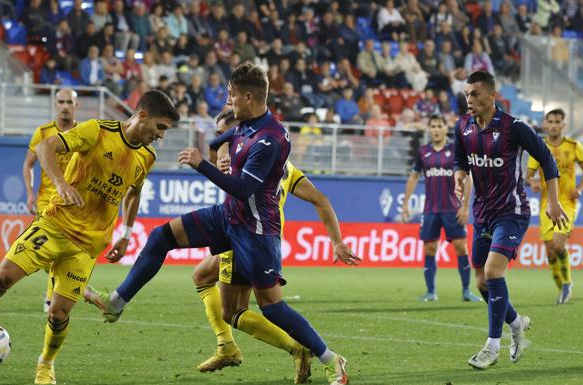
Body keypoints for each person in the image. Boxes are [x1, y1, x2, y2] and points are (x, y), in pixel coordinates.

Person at [81, 63, 351, 385]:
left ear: (248, 97)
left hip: (256, 232)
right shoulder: (245, 125)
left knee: (272, 308)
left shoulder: (270, 139)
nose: (228, 101)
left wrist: (202, 166)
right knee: (160, 237)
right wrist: (217, 156)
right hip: (228, 217)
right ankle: (116, 302)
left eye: (232, 95)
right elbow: (218, 142)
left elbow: (243, 188)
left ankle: (332, 360)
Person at [0, 90, 180, 385]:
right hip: (54, 225)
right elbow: (45, 147)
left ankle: (45, 365)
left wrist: (126, 233)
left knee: (58, 313)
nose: (161, 136)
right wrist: (61, 184)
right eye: (160, 127)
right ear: (142, 116)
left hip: (86, 247)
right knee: (2, 279)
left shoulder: (146, 157)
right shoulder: (97, 131)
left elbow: (134, 192)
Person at [183, 110, 360, 379]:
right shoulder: (283, 166)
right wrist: (337, 241)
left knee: (241, 309)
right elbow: (321, 199)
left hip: (244, 236)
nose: (221, 141)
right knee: (205, 277)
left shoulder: (241, 162)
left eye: (223, 135)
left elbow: (237, 185)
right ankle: (229, 345)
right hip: (265, 239)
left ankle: (299, 348)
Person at [453, 71, 566, 370]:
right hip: (482, 214)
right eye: (467, 93)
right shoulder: (462, 126)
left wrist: (553, 202)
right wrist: (459, 176)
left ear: (492, 96)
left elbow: (546, 159)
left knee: (492, 271)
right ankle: (516, 323)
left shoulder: (514, 127)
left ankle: (492, 346)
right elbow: (460, 161)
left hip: (512, 212)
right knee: (481, 283)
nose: (469, 99)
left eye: (475, 93)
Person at [402, 115, 481, 303]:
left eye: (439, 126)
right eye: (433, 126)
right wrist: (406, 203)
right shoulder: (423, 152)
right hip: (430, 210)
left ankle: (466, 291)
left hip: (452, 208)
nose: (436, 129)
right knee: (429, 249)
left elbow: (467, 177)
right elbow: (413, 177)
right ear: (429, 129)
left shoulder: (456, 150)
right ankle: (430, 292)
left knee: (461, 247)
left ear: (446, 128)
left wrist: (465, 206)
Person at [22, 88, 78, 313]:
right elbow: (28, 164)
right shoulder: (43, 132)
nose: (65, 106)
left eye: (69, 102)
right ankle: (56, 292)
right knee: (45, 253)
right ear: (56, 105)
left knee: (59, 253)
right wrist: (29, 193)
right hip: (47, 201)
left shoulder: (83, 133)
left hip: (72, 203)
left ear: (76, 106)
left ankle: (50, 298)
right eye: (61, 102)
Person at [526, 108, 583, 304]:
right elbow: (528, 175)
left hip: (567, 202)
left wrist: (580, 188)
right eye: (550, 121)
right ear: (545, 124)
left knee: (559, 245)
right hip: (546, 204)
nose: (553, 125)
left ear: (563, 125)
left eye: (557, 121)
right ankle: (562, 288)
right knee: (550, 252)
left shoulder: (574, 146)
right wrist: (532, 182)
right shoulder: (538, 147)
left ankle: (567, 284)